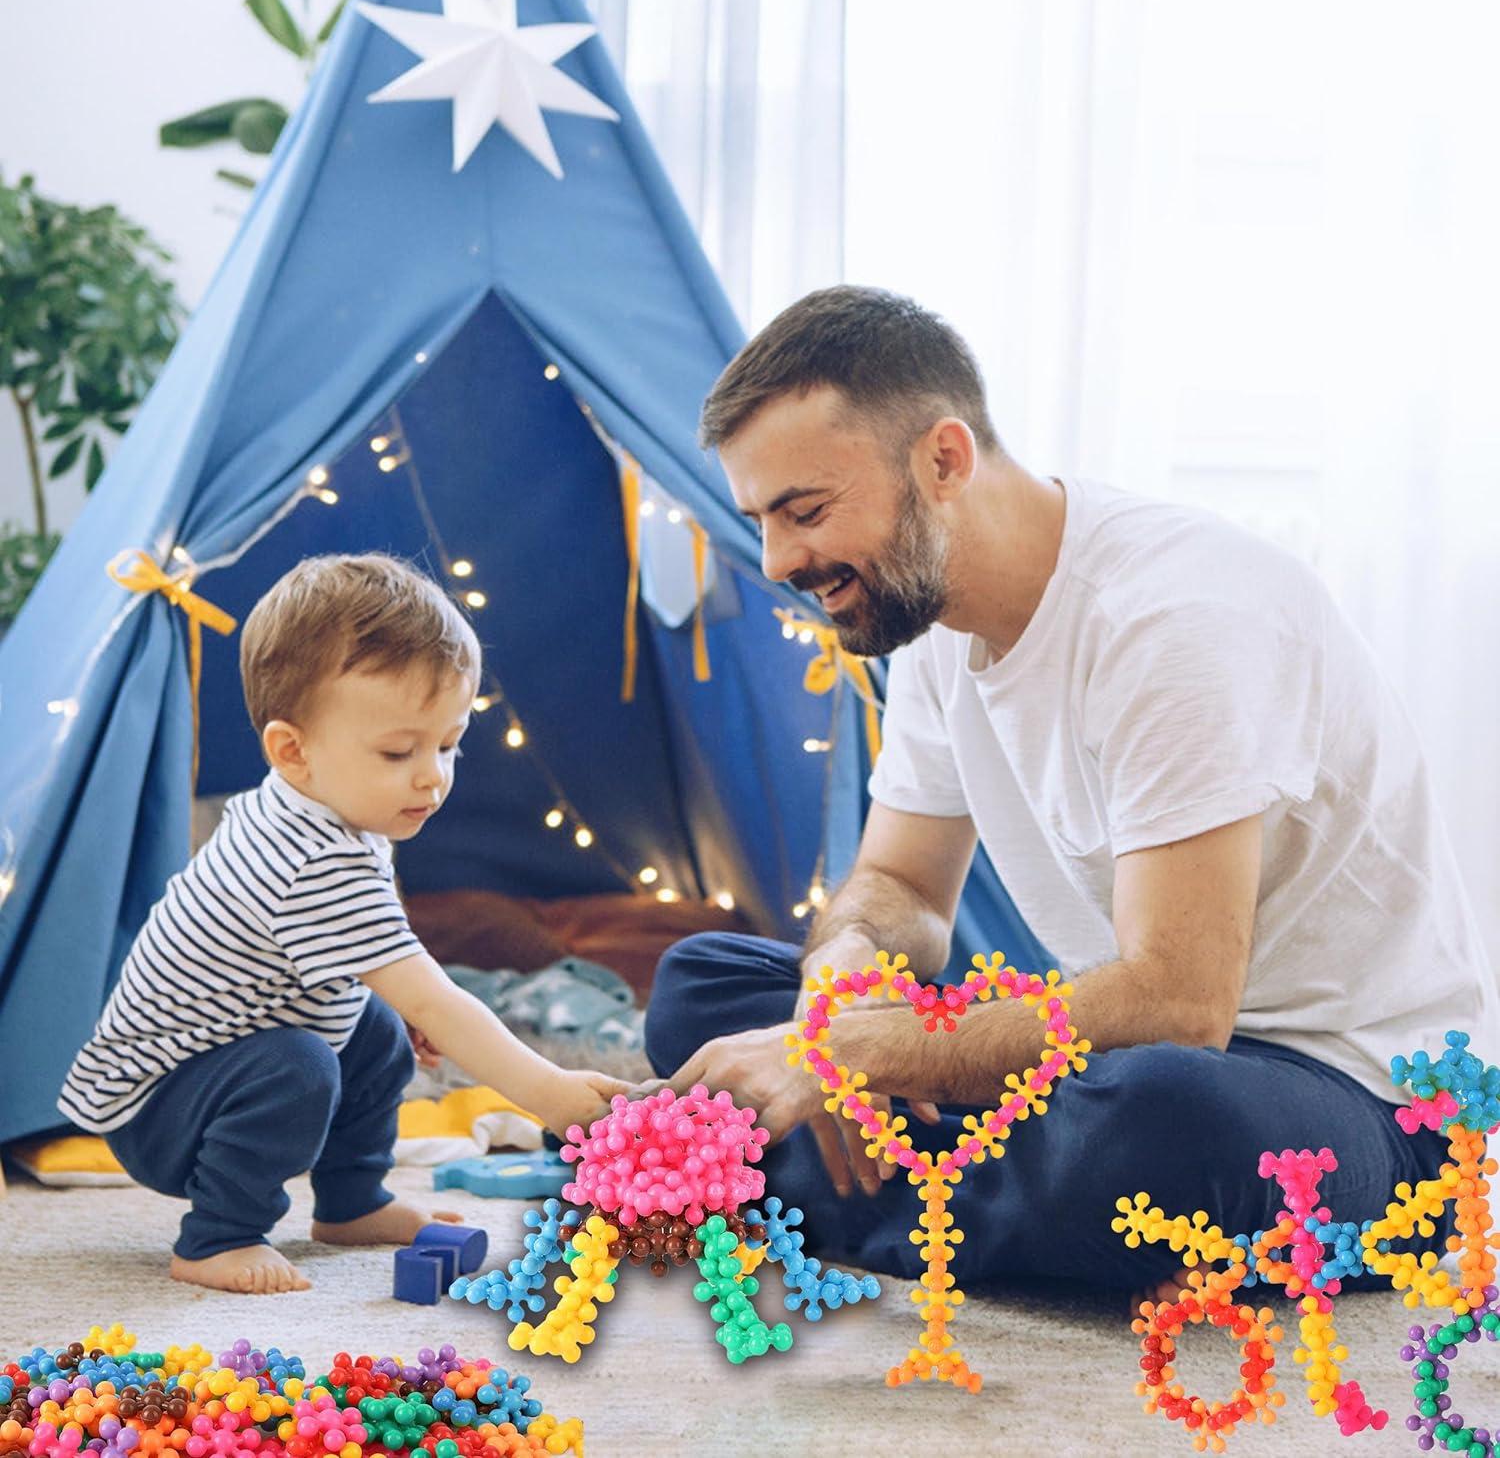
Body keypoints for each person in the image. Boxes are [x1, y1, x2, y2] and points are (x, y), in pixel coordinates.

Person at [644, 285, 1499, 1291]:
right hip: (1111, 1055)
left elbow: (1181, 1003)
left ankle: (808, 1193)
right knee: (702, 989)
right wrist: (842, 982)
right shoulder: (928, 623)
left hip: (1364, 1107)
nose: (782, 560)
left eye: (807, 512)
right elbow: (906, 891)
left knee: (1158, 1122)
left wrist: (852, 1061)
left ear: (944, 460)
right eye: (763, 520)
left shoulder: (1176, 617)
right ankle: (981, 1212)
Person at [59, 554, 630, 1294]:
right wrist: (548, 1092)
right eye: (399, 751)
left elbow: (374, 970)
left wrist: (399, 1006)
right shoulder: (307, 858)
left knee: (377, 1029)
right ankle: (217, 1236)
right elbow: (435, 997)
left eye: (449, 743)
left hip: (223, 1056)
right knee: (301, 1064)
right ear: (292, 751)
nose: (433, 775)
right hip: (160, 1106)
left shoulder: (321, 801)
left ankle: (352, 1201)